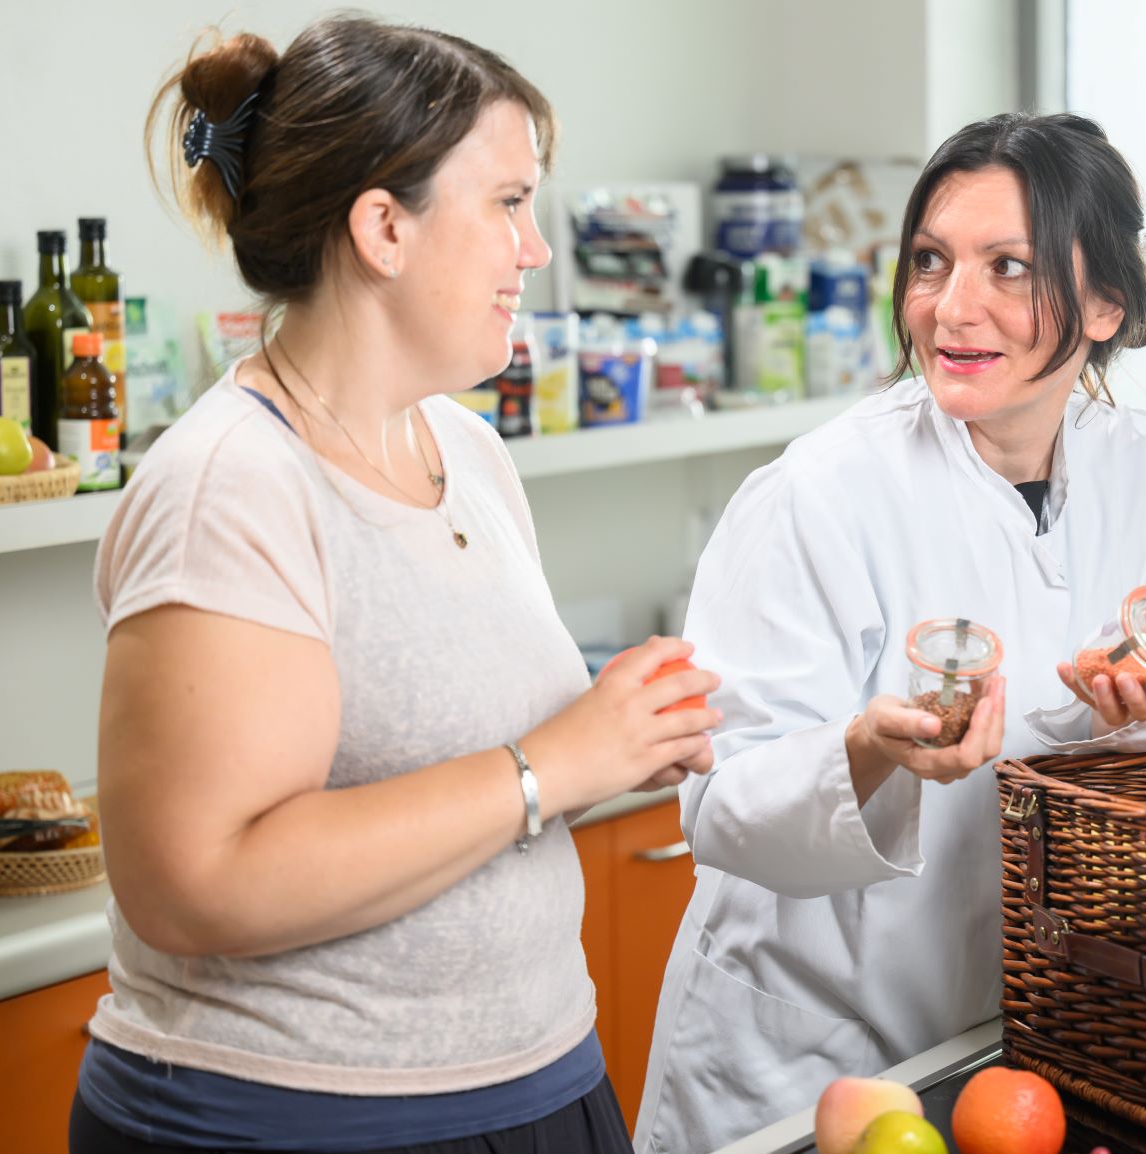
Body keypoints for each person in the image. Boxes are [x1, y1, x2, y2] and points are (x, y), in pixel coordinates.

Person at [71, 16, 720, 1154]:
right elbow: (196, 881)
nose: (537, 250)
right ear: (383, 227)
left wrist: (612, 736)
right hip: (288, 1121)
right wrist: (550, 764)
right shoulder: (232, 484)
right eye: (509, 203)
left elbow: (461, 778)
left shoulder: (464, 452)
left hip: (538, 1080)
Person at [632, 112, 1146, 1153]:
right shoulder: (819, 492)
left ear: (1103, 303)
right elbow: (721, 804)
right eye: (930, 261)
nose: (951, 308)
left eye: (1008, 267)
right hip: (806, 1058)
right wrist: (870, 750)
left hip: (1017, 1044)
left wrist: (1131, 703)